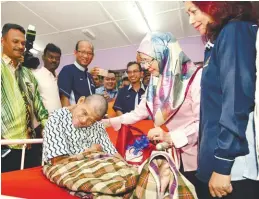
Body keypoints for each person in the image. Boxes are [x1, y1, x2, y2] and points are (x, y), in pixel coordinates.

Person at [103, 32, 202, 188]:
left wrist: (170, 137)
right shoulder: (158, 82)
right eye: (143, 63)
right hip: (175, 155)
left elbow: (203, 123)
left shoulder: (195, 78)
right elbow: (138, 113)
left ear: (165, 53)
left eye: (149, 61)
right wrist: (108, 122)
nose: (146, 67)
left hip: (198, 155)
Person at [185, 1, 259, 199]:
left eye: (193, 11)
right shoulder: (220, 38)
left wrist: (223, 164)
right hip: (221, 157)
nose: (191, 20)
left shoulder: (234, 31)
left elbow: (236, 102)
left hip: (234, 166)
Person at [1, 23, 48, 172]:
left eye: (23, 43)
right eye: (15, 41)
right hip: (6, 148)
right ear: (3, 41)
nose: (21, 46)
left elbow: (39, 108)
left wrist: (50, 131)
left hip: (30, 145)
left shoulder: (28, 73)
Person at [42, 94, 118, 164]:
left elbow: (114, 155)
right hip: (71, 171)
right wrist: (89, 153)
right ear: (80, 101)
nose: (84, 120)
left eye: (91, 121)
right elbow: (57, 162)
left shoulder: (97, 125)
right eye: (84, 113)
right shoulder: (57, 118)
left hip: (96, 168)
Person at [58, 40, 95, 107]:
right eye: (83, 52)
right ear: (75, 53)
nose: (86, 56)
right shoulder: (67, 70)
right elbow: (64, 99)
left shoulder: (89, 76)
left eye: (89, 53)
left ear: (93, 56)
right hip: (75, 116)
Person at [32, 43, 62, 115]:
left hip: (60, 121)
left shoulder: (60, 77)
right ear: (43, 57)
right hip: (44, 123)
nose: (54, 60)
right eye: (51, 57)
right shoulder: (35, 75)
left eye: (57, 58)